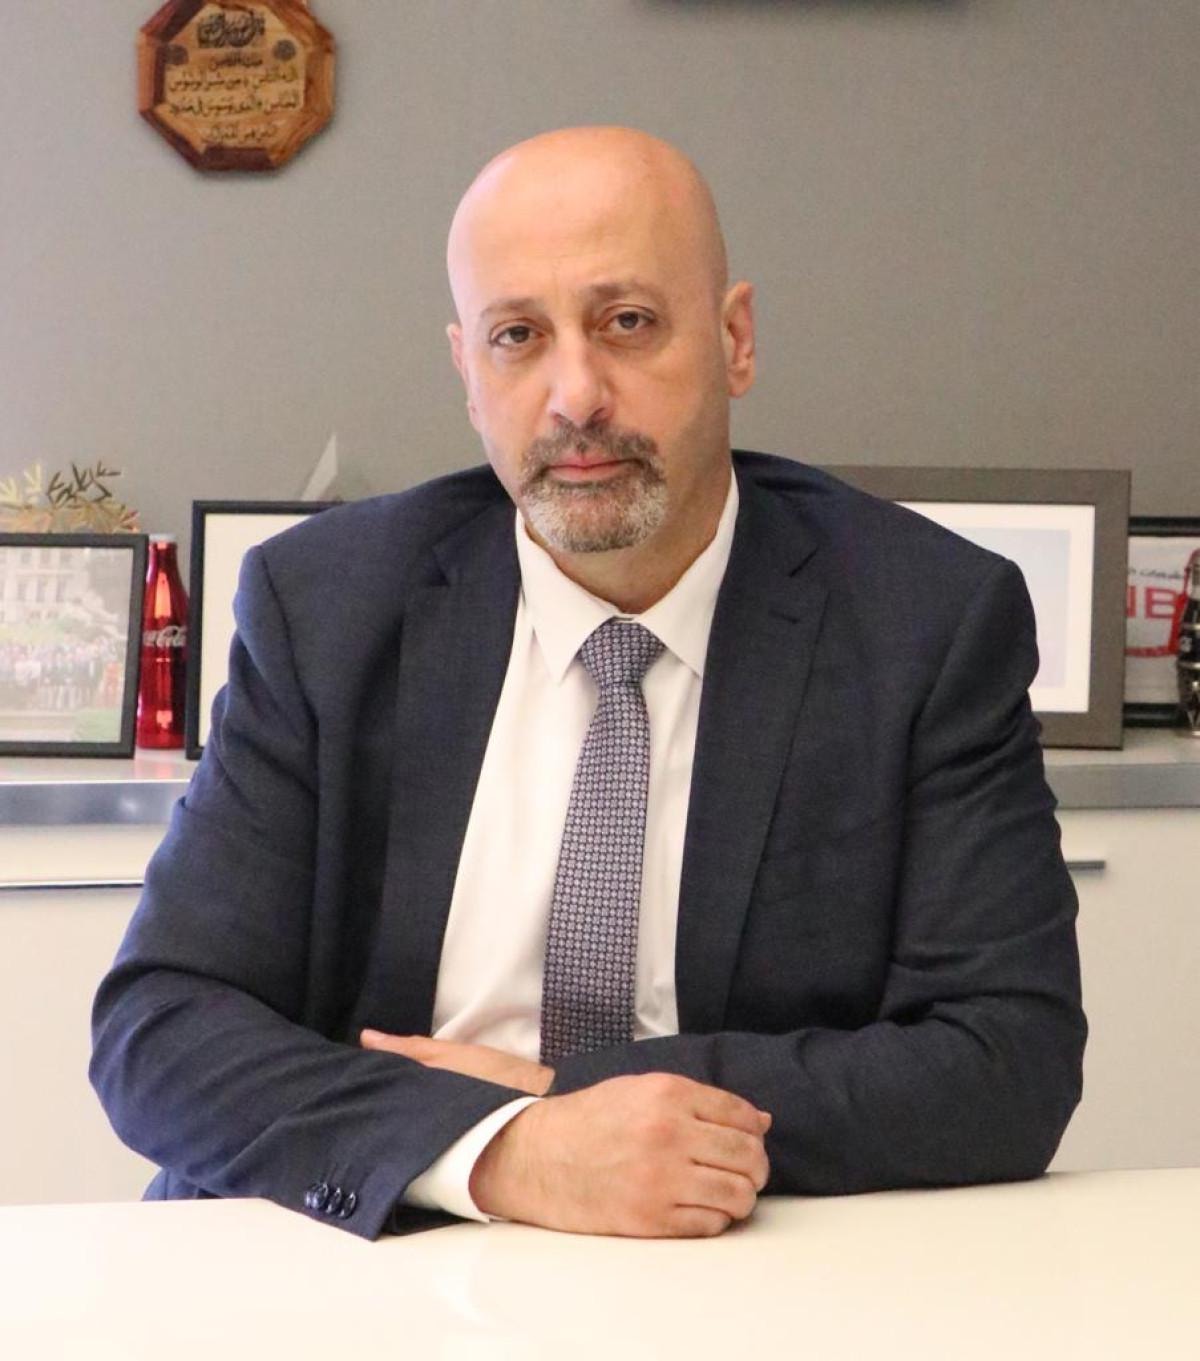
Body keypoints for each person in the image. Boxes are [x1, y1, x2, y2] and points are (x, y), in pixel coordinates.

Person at [91, 127, 1085, 1241]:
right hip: (376, 1242)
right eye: (518, 336)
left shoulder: (925, 621)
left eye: (628, 323)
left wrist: (568, 1094)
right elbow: (160, 1028)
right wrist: (502, 1148)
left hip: (732, 1257)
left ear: (736, 340)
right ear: (469, 373)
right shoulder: (325, 607)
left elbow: (1009, 1061)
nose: (576, 396)